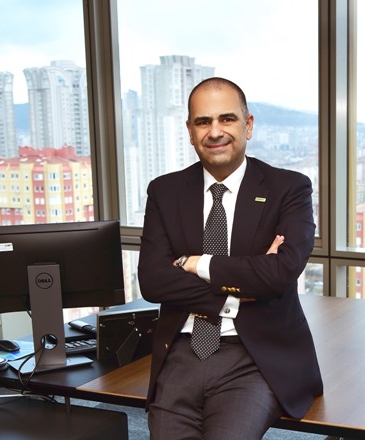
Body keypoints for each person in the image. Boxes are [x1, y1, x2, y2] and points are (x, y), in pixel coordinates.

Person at [137, 77, 323, 440]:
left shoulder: (289, 188)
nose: (215, 132)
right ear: (190, 132)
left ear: (248, 125)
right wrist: (235, 294)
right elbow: (153, 280)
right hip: (183, 352)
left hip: (256, 357)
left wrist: (196, 264)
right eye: (203, 122)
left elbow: (281, 273)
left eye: (227, 119)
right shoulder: (165, 191)